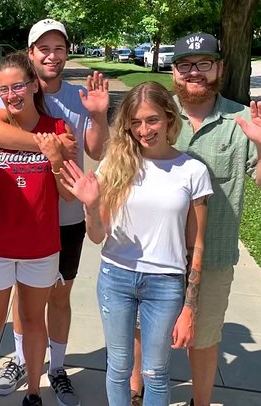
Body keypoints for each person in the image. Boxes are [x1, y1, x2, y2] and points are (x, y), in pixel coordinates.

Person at [0, 18, 109, 406]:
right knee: (26, 301)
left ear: (67, 52)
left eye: (59, 48)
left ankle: (56, 368)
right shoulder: (11, 91)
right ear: (31, 53)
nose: (51, 56)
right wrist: (51, 146)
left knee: (60, 296)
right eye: (43, 48)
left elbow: (96, 151)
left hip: (65, 216)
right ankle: (22, 361)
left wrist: (100, 115)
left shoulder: (77, 96)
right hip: (23, 217)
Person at [60, 81, 213, 406]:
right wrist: (90, 205)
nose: (144, 130)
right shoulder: (114, 164)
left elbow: (196, 245)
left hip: (166, 285)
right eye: (136, 122)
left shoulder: (193, 170)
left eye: (152, 119)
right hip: (116, 278)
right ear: (127, 125)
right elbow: (98, 236)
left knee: (156, 372)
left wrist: (190, 308)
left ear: (170, 119)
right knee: (118, 367)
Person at [168, 32, 261, 406]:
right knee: (142, 332)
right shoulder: (158, 116)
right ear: (174, 72)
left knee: (203, 339)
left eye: (204, 63)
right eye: (186, 65)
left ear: (219, 67)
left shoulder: (241, 121)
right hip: (156, 255)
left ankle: (199, 402)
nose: (194, 72)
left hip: (214, 256)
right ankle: (138, 393)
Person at [0, 51, 75, 406]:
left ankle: (34, 393)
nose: (11, 95)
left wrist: (56, 161)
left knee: (33, 320)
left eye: (18, 86)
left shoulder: (58, 130)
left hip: (40, 246)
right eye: (3, 89)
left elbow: (69, 195)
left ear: (33, 85)